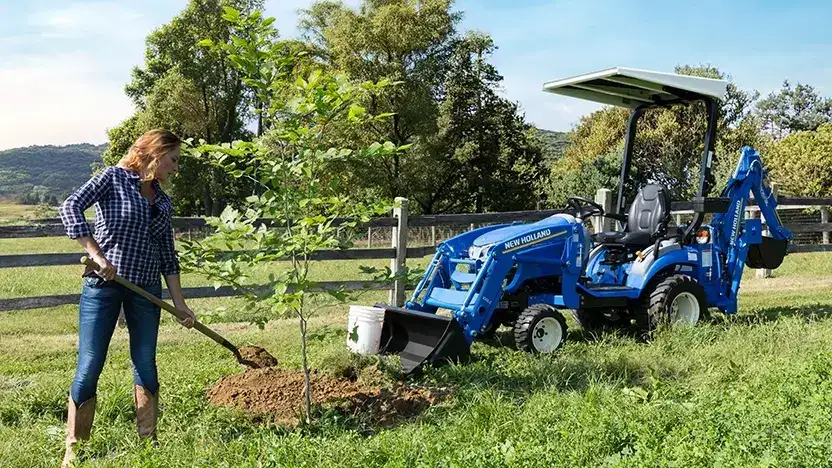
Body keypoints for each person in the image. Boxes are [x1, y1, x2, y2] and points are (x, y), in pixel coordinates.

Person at [58, 129, 196, 466]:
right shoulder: (112, 178)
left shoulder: (162, 201)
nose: (176, 168)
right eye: (173, 159)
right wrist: (97, 255)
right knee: (90, 363)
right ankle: (75, 448)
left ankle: (149, 443)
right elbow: (71, 206)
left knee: (145, 361)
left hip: (146, 289)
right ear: (156, 153)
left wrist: (179, 304)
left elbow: (167, 254)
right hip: (104, 285)